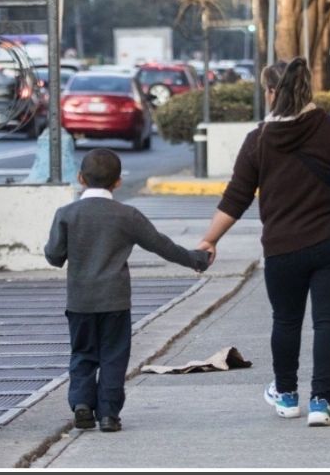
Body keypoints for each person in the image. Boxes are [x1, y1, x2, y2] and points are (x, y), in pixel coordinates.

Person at [196, 57, 330, 425]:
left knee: (285, 321)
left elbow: (236, 198)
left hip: (282, 250)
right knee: (329, 323)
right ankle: (321, 403)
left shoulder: (259, 140)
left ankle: (286, 396)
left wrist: (209, 240)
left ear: (271, 92)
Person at [44, 149, 210, 433]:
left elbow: (54, 256)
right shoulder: (127, 215)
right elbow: (162, 245)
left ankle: (82, 405)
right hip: (115, 301)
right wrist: (197, 258)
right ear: (118, 182)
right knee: (113, 356)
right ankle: (108, 414)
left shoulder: (67, 214)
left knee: (83, 353)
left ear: (80, 178)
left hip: (80, 301)